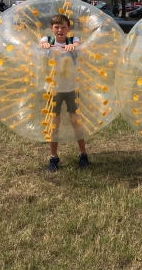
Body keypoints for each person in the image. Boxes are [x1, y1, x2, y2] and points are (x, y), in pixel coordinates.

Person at [39, 14, 89, 172]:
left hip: (71, 89)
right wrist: (44, 45)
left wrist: (73, 46)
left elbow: (77, 44)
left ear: (68, 29)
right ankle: (53, 157)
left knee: (76, 121)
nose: (60, 30)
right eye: (56, 27)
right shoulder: (47, 40)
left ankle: (83, 153)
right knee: (54, 124)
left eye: (63, 27)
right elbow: (41, 44)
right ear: (52, 28)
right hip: (53, 90)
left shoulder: (72, 40)